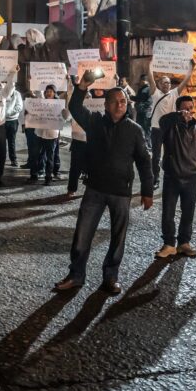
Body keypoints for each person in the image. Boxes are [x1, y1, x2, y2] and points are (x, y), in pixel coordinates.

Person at [55, 69, 153, 295]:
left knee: (118, 238)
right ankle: (76, 275)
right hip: (95, 190)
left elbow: (144, 163)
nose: (120, 105)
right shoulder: (95, 123)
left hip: (121, 193)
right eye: (115, 102)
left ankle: (111, 277)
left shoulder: (135, 131)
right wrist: (82, 87)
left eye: (124, 101)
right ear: (106, 105)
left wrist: (147, 191)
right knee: (82, 234)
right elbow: (75, 108)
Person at [155, 96, 196, 259]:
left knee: (188, 212)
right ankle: (168, 244)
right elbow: (162, 121)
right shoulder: (170, 127)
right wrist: (177, 116)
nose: (188, 111)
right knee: (168, 212)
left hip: (191, 178)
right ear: (177, 110)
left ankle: (184, 243)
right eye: (184, 108)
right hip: (172, 177)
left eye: (190, 107)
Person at [148, 62, 191, 185]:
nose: (167, 84)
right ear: (159, 84)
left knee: (171, 155)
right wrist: (150, 64)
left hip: (170, 130)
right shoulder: (155, 93)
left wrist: (191, 68)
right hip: (156, 129)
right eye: (164, 82)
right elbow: (150, 77)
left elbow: (186, 80)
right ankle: (155, 178)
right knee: (156, 156)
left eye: (168, 82)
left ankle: (171, 176)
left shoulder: (174, 94)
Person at [30, 84, 67, 185]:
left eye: (51, 91)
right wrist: (31, 81)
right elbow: (38, 94)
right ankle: (34, 175)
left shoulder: (59, 104)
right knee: (36, 155)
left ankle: (48, 178)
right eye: (47, 91)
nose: (48, 93)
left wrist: (65, 114)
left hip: (52, 135)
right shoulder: (41, 102)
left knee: (50, 158)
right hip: (39, 133)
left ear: (54, 93)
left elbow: (65, 118)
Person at [4, 86, 23, 168]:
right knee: (1, 142)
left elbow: (19, 107)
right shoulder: (1, 93)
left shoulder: (17, 94)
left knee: (11, 142)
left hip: (12, 121)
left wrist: (8, 113)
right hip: (1, 121)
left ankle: (13, 160)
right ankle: (1, 159)